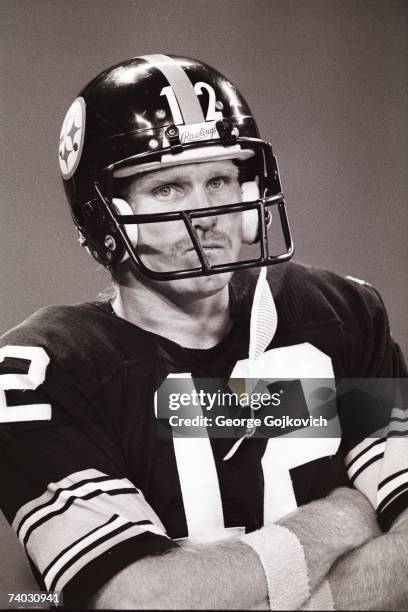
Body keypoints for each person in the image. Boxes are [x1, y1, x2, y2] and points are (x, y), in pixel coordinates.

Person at [0, 54, 407, 610]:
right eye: (168, 188)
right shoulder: (44, 370)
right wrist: (341, 517)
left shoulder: (338, 314)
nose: (207, 212)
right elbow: (135, 600)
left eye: (219, 179)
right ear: (104, 216)